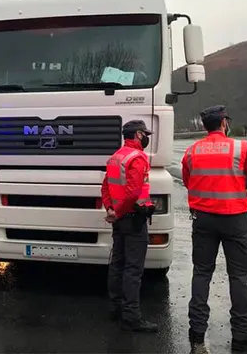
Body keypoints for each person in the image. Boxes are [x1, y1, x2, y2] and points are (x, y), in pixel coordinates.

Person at [183, 105, 247, 352]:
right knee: (239, 278)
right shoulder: (241, 148)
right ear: (224, 123)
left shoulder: (191, 151)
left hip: (203, 219)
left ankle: (197, 335)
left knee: (201, 274)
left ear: (205, 126)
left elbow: (187, 181)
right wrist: (244, 193)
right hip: (235, 220)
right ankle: (241, 336)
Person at [101, 119, 158, 333]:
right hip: (133, 219)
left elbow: (106, 186)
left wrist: (110, 210)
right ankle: (132, 318)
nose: (147, 138)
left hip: (119, 219)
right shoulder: (138, 157)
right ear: (138, 135)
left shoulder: (116, 157)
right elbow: (134, 192)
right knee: (133, 269)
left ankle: (115, 309)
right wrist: (120, 212)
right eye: (145, 134)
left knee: (117, 264)